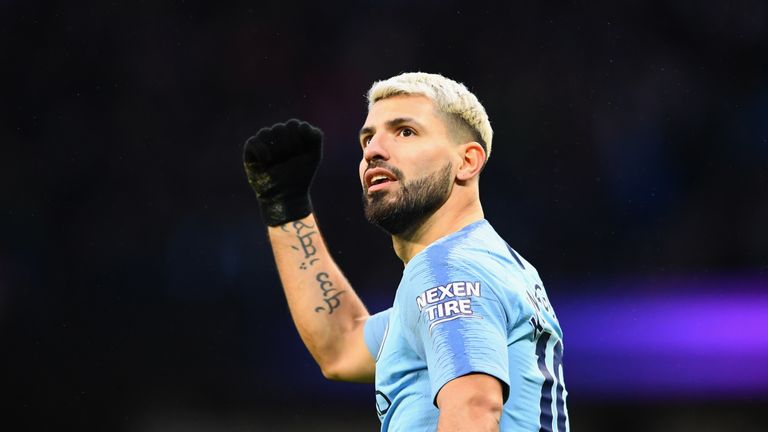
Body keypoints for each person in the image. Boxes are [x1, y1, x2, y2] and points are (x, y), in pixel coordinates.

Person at [242, 72, 569, 432]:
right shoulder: (490, 266)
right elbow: (342, 346)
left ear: (467, 161)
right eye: (368, 138)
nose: (373, 151)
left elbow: (473, 410)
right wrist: (286, 206)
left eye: (405, 132)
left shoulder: (447, 268)